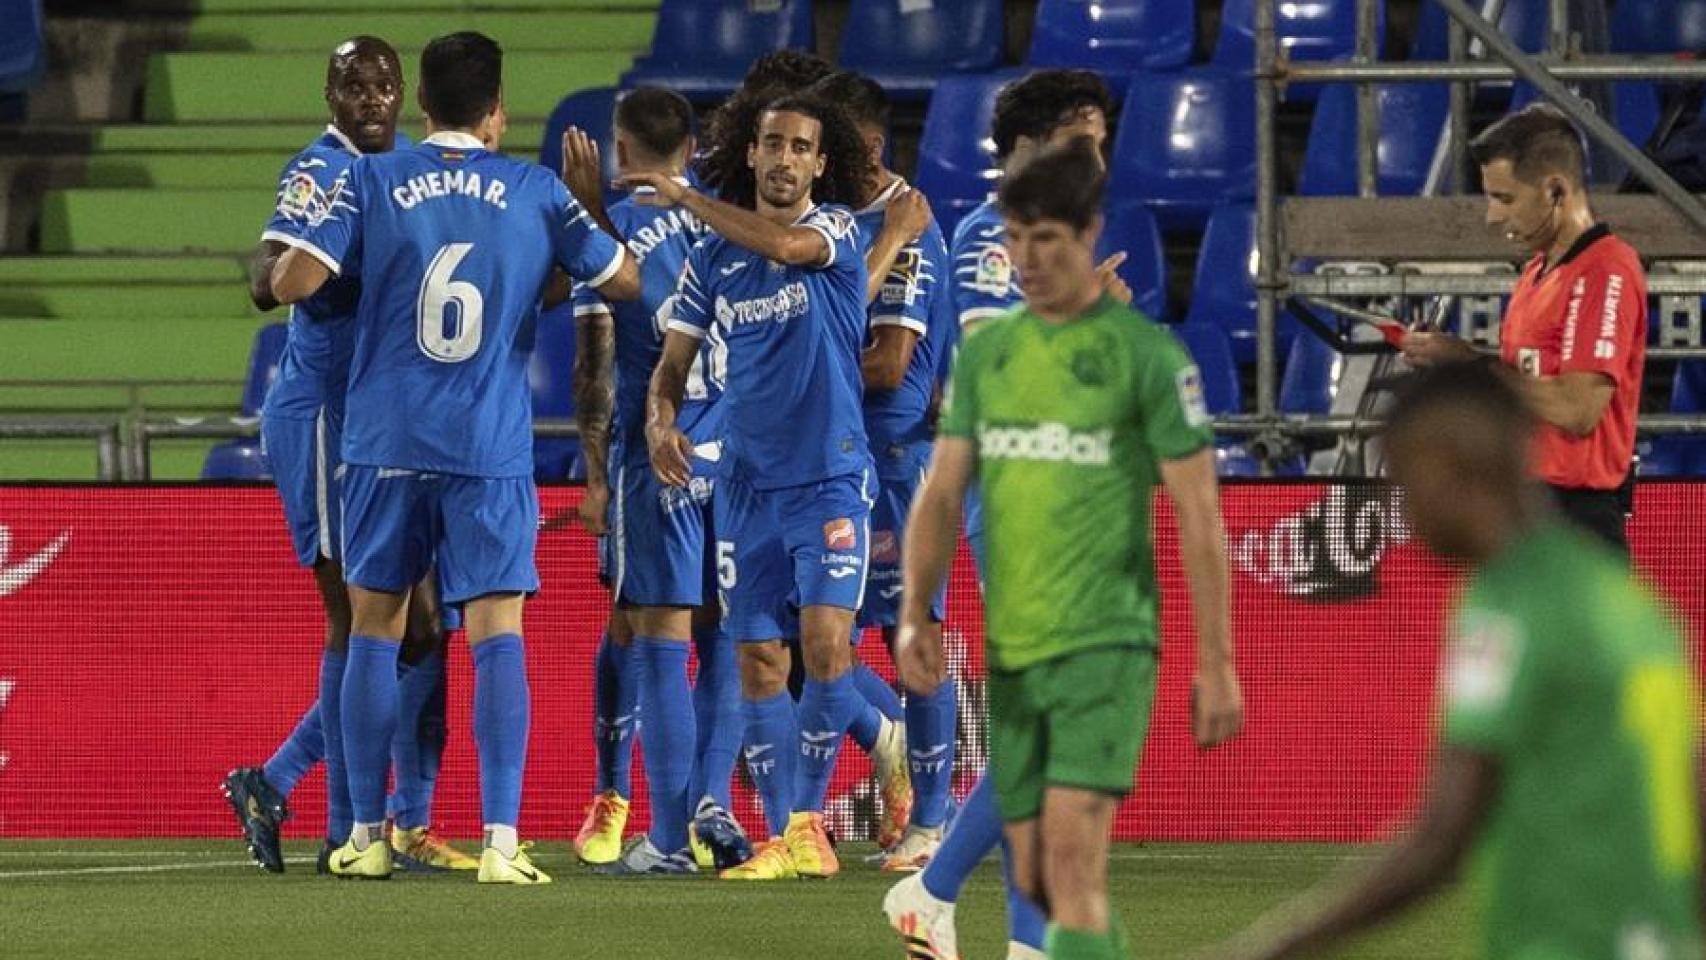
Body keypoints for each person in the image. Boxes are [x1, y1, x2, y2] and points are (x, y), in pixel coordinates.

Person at [270, 30, 641, 883]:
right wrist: (570, 226)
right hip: (485, 445)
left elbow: (288, 282)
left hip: (382, 441)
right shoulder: (535, 189)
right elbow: (621, 282)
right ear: (498, 112)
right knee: (495, 632)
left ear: (421, 106)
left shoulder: (369, 176)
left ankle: (365, 836)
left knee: (372, 628)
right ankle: (503, 844)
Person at [1204, 362, 1701, 960]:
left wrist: (1275, 946)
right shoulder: (1621, 595)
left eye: (1404, 479)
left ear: (1450, 461)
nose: (1402, 510)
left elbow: (1443, 833)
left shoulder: (1511, 605)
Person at [893, 139, 1244, 960]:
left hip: (1108, 639)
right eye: (1013, 238)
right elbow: (943, 492)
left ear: (1089, 233)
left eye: (1044, 238)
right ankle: (965, 917)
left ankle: (938, 900)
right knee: (1039, 846)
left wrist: (1217, 657)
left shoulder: (1145, 358)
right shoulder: (990, 359)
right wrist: (917, 610)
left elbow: (1199, 513)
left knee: (1073, 855)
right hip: (1019, 633)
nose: (1024, 259)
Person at [884, 67, 1126, 960]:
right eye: (1080, 142)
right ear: (1026, 147)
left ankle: (994, 926)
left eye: (1101, 144)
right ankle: (937, 890)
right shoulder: (997, 240)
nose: (1096, 159)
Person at [222, 35, 474, 876]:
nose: (369, 99)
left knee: (425, 624)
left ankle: (371, 809)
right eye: (353, 86)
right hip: (328, 412)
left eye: (382, 85)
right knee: (361, 616)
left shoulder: (407, 167)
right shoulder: (321, 169)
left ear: (405, 95)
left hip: (389, 417)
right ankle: (340, 821)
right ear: (330, 98)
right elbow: (266, 278)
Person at [631, 92, 875, 880]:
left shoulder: (834, 230)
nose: (782, 159)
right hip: (746, 486)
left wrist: (688, 200)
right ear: (751, 152)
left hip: (830, 478)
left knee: (826, 646)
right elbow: (670, 366)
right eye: (771, 144)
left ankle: (841, 779)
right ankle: (790, 832)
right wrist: (660, 423)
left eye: (799, 147)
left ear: (819, 162)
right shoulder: (712, 260)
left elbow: (786, 244)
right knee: (758, 661)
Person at [562, 85, 749, 875]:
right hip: (734, 453)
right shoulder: (728, 222)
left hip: (658, 451)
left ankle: (668, 838)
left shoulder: (611, 233)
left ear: (622, 149)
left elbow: (595, 369)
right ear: (693, 148)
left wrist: (599, 473)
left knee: (661, 638)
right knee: (730, 634)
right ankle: (715, 804)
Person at [807, 69, 959, 870]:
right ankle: (875, 753)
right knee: (818, 635)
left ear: (864, 144)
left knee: (911, 638)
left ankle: (934, 818)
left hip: (896, 463)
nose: (814, 161)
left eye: (827, 146)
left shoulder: (907, 226)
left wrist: (798, 363)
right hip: (842, 457)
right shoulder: (838, 220)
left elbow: (892, 363)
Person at [1402, 104, 1647, 556]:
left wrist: (1468, 365)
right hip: (1527, 508)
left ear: (1556, 190)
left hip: (1577, 522)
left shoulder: (1605, 269)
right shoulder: (1538, 269)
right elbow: (1521, 381)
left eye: (1505, 198)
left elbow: (1578, 407)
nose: (1493, 216)